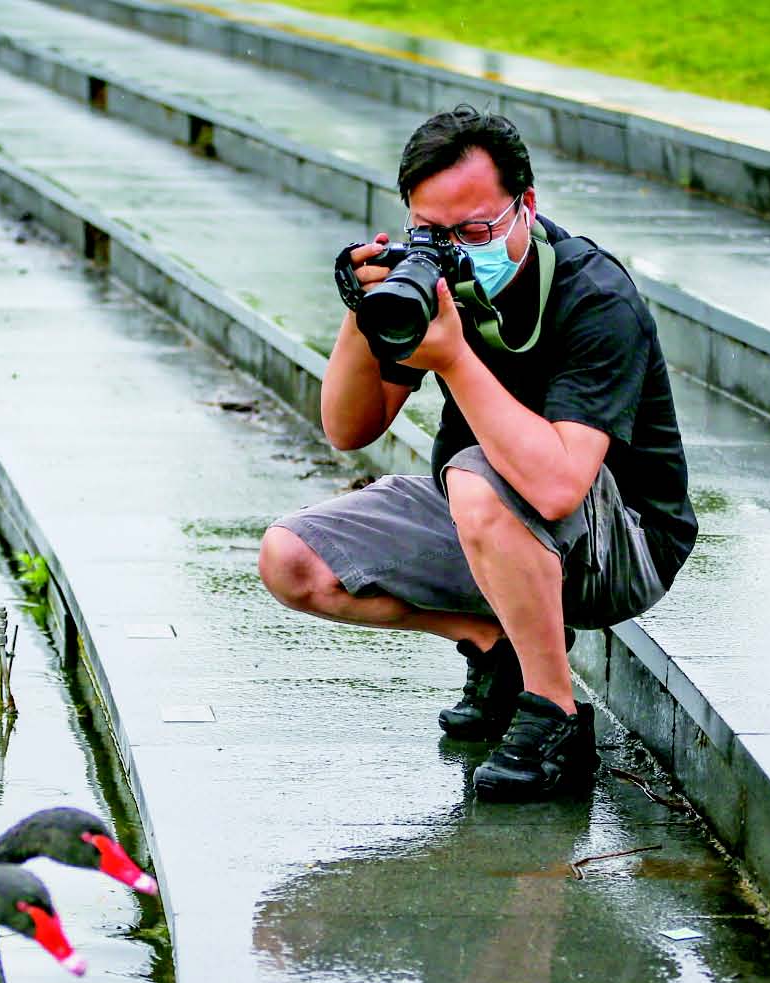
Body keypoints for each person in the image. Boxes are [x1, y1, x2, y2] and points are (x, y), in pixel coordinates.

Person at [258, 105, 697, 802]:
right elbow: (349, 426)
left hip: (622, 545)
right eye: (432, 233)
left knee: (473, 479)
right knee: (292, 561)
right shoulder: (432, 283)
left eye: (475, 231)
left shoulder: (595, 296)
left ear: (527, 205)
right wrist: (362, 310)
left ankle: (555, 714)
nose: (456, 249)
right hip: (491, 520)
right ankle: (498, 647)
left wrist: (457, 358)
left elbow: (557, 486)